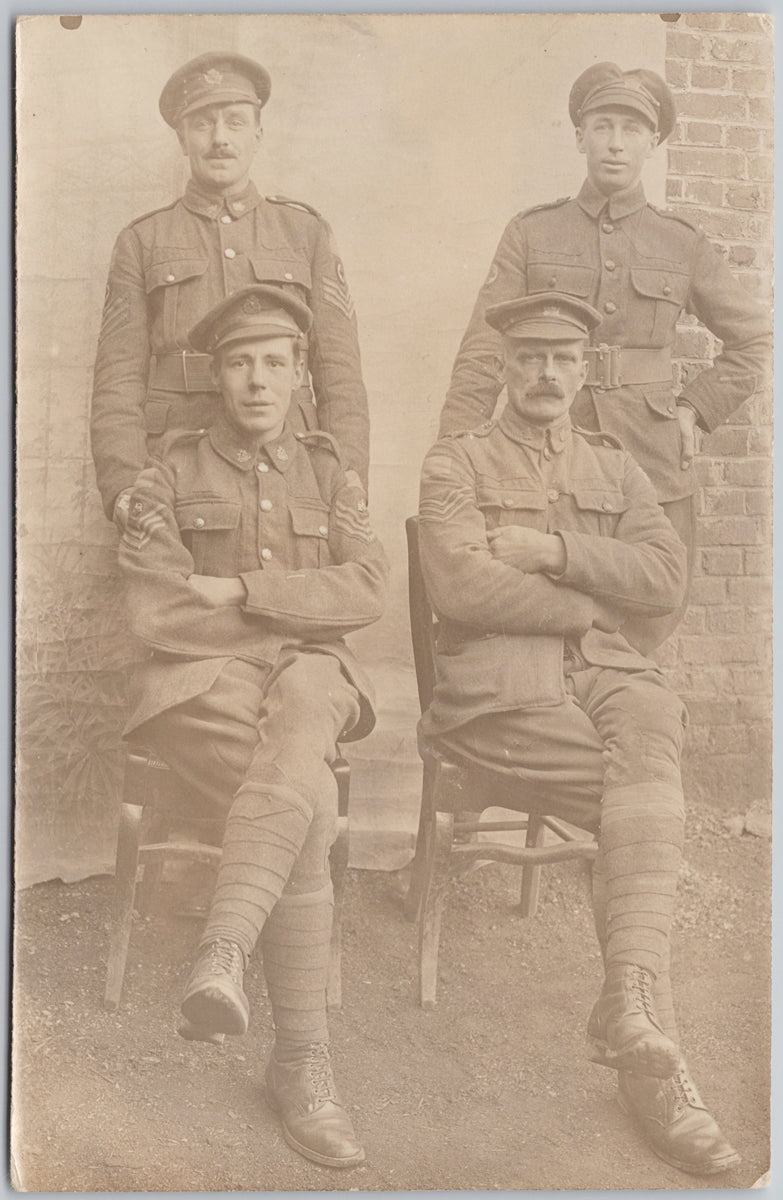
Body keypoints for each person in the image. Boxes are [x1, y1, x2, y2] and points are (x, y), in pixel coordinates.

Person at [418, 291, 739, 1176]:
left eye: (562, 358)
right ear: (505, 367)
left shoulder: (615, 466)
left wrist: (553, 552)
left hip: (604, 679)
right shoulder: (455, 463)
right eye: (528, 358)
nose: (546, 374)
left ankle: (629, 1007)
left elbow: (665, 581)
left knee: (652, 717)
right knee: (646, 819)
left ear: (584, 368)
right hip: (499, 696)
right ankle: (659, 1076)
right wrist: (598, 598)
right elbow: (461, 590)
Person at [118, 284, 388, 1168]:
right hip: (202, 693)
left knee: (307, 703)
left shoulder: (330, 473)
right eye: (239, 363)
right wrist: (288, 627)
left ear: (301, 373)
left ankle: (225, 949)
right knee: (303, 792)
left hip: (306, 685)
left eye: (275, 363)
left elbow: (368, 589)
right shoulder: (168, 474)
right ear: (217, 376)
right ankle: (303, 1065)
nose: (257, 381)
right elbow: (157, 612)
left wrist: (243, 592)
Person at [440, 62, 771, 651]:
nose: (616, 142)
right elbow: (482, 352)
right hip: (543, 455)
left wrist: (696, 409)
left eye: (632, 129)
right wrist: (453, 459)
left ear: (654, 142)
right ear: (579, 137)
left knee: (641, 625)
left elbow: (755, 339)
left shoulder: (681, 242)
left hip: (650, 459)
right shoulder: (532, 233)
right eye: (602, 126)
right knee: (539, 611)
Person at [93, 51, 370, 532]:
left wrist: (347, 478)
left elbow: (339, 375)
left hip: (293, 462)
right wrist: (124, 488)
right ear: (182, 138)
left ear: (257, 134)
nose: (220, 139)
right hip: (178, 461)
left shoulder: (305, 234)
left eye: (235, 122)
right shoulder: (142, 240)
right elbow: (117, 384)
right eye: (202, 124)